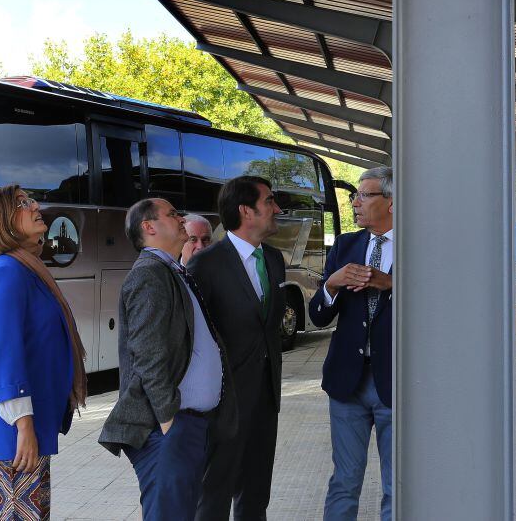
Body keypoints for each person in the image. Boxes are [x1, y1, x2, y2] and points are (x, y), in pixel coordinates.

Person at [100, 197, 234, 520]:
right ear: (148, 227)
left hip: (184, 426)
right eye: (172, 214)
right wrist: (168, 421)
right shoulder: (150, 274)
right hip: (169, 428)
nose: (181, 219)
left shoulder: (171, 271)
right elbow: (148, 355)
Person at [0, 185, 87, 521]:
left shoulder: (25, 269)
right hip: (12, 426)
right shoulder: (7, 272)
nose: (35, 205)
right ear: (3, 222)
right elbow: (4, 355)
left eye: (31, 199)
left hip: (22, 423)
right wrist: (23, 426)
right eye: (22, 203)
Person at [189, 176, 285, 521]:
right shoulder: (206, 265)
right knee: (214, 492)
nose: (277, 209)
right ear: (246, 211)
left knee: (257, 491)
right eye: (270, 201)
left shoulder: (274, 259)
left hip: (265, 397)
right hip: (223, 403)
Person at [308, 166, 394, 521]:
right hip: (347, 384)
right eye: (354, 196)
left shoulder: (420, 245)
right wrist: (332, 285)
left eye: (364, 195)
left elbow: (442, 307)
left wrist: (393, 284)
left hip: (397, 384)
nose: (355, 203)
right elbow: (318, 317)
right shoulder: (345, 245)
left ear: (391, 202)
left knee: (397, 484)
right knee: (344, 481)